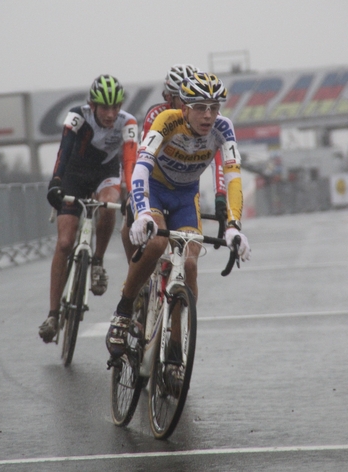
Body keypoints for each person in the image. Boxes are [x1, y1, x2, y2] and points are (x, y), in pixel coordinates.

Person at [106, 71, 250, 367]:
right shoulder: (166, 121)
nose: (208, 115)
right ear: (183, 108)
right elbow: (141, 168)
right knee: (157, 243)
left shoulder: (224, 128)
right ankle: (123, 309)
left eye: (214, 107)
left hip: (186, 198)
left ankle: (174, 345)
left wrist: (234, 226)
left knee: (191, 263)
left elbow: (234, 177)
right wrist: (142, 210)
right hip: (155, 191)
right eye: (199, 107)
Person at [39, 75, 138, 344]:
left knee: (108, 206)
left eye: (115, 107)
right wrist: (56, 182)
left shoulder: (127, 122)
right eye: (104, 108)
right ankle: (52, 313)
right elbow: (64, 150)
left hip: (106, 173)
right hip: (74, 174)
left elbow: (130, 158)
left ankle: (97, 261)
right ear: (91, 104)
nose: (110, 113)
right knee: (65, 242)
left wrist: (131, 193)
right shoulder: (77, 116)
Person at [141, 65, 228, 228]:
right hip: (156, 185)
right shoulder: (158, 116)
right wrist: (136, 194)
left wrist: (220, 198)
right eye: (181, 98)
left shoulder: (209, 118)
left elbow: (218, 161)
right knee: (155, 242)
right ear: (169, 98)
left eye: (194, 98)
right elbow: (144, 158)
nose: (186, 103)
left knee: (192, 246)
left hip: (186, 189)